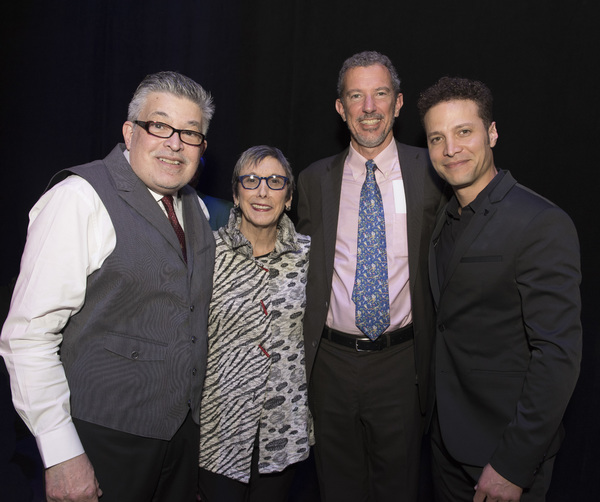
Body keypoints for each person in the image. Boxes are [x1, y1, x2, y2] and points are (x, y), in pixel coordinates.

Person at [0, 71, 216, 502]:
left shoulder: (199, 212)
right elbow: (27, 336)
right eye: (160, 126)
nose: (175, 143)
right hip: (102, 440)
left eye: (190, 134)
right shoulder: (79, 198)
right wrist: (62, 455)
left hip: (180, 440)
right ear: (130, 131)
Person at [417, 76, 582, 502]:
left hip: (502, 455)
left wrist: (512, 465)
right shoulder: (444, 218)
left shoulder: (540, 222)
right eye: (437, 138)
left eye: (463, 132)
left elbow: (558, 356)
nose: (450, 149)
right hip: (446, 446)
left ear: (491, 133)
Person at [296, 51, 447, 501]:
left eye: (380, 94)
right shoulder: (312, 181)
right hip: (330, 364)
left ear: (398, 104)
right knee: (336, 487)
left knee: (398, 488)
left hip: (401, 363)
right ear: (340, 108)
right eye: (355, 96)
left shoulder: (433, 171)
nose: (368, 107)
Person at [198, 145, 312, 502]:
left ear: (289, 197)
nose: (262, 191)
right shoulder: (207, 254)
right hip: (218, 432)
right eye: (251, 180)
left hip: (283, 433)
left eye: (275, 181)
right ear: (235, 194)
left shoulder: (310, 256)